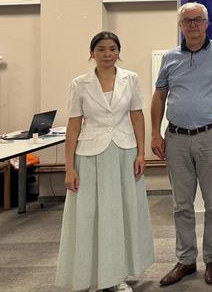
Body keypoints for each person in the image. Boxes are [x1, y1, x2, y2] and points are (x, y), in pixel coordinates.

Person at [151, 2, 212, 286]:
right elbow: (159, 96)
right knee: (181, 205)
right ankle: (186, 260)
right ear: (180, 26)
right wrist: (155, 133)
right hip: (176, 139)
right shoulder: (169, 58)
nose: (192, 25)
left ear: (206, 23)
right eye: (187, 21)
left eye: (197, 20)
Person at [55, 32, 154, 292]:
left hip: (124, 154)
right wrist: (69, 167)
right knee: (90, 216)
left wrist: (141, 153)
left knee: (120, 213)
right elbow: (73, 126)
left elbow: (137, 116)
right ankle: (92, 276)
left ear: (118, 52)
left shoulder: (130, 79)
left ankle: (116, 275)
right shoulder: (80, 84)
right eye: (101, 49)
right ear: (92, 53)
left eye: (112, 49)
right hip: (89, 156)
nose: (107, 54)